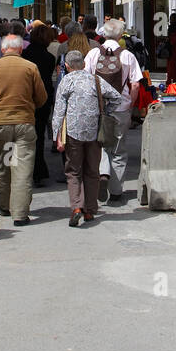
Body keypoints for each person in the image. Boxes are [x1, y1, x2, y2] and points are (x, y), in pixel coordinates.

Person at [0, 32, 47, 226]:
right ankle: (20, 213)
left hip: (1, 125)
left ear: (2, 49)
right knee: (22, 168)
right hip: (24, 125)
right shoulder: (30, 68)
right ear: (20, 48)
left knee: (5, 164)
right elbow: (41, 98)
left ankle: (4, 204)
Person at [51, 49, 127, 225]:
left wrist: (57, 136)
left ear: (67, 66)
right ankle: (90, 210)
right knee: (92, 171)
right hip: (94, 131)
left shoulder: (66, 81)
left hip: (73, 132)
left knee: (73, 171)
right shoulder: (95, 79)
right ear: (84, 65)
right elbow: (116, 97)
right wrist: (104, 112)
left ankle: (77, 207)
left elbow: (59, 111)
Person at [84, 17, 146, 202]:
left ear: (103, 33)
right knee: (119, 149)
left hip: (99, 107)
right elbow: (135, 85)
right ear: (120, 35)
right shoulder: (127, 56)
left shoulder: (93, 54)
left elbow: (86, 80)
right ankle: (117, 191)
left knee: (101, 144)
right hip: (121, 107)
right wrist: (131, 105)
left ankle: (103, 173)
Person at [23, 23, 56, 184]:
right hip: (43, 99)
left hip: (27, 98)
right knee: (39, 134)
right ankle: (39, 169)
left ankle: (27, 168)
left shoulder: (25, 54)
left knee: (25, 136)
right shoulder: (49, 58)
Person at [165, 13, 176, 86]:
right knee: (174, 67)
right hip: (175, 48)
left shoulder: (172, 27)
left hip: (173, 48)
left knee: (172, 66)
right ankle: (175, 80)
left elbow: (172, 38)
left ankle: (170, 81)